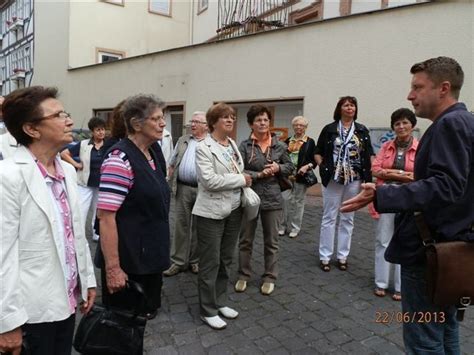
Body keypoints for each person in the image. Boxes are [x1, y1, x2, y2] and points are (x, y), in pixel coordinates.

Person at [341, 56, 473, 353]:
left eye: (417, 87)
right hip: (452, 250)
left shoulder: (449, 125)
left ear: (444, 88)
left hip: (431, 254)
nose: (409, 95)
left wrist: (381, 195)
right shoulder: (465, 122)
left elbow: (446, 186)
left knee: (424, 342)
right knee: (446, 330)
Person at [0, 86, 97, 355]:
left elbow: (75, 232)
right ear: (32, 129)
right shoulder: (7, 176)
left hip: (65, 301)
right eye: (58, 115)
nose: (69, 120)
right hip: (30, 310)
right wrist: (6, 322)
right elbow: (2, 254)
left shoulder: (66, 169)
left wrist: (87, 280)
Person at [96, 94, 170, 331]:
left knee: (141, 321)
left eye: (163, 117)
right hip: (129, 261)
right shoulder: (119, 160)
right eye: (156, 118)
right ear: (137, 124)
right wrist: (114, 270)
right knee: (121, 328)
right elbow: (105, 218)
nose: (163, 123)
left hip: (150, 256)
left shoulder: (154, 151)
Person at [192, 102, 251, 330]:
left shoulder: (232, 144)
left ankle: (219, 301)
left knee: (226, 258)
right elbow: (209, 181)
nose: (230, 120)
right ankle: (207, 310)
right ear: (213, 122)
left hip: (234, 209)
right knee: (210, 261)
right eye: (225, 117)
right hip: (210, 213)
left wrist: (241, 179)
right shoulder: (203, 147)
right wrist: (242, 180)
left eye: (233, 117)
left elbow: (236, 170)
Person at [236, 104, 293, 295]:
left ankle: (270, 276)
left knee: (272, 241)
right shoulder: (244, 146)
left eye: (265, 120)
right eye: (258, 120)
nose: (262, 123)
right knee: (245, 239)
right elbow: (239, 170)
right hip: (250, 197)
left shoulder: (280, 145)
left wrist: (278, 168)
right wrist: (260, 174)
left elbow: (290, 167)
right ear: (251, 124)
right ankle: (243, 274)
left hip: (273, 197)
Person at [315, 96, 374, 272]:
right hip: (333, 179)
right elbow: (318, 152)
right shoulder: (330, 129)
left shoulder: (362, 130)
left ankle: (342, 256)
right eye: (346, 105)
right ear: (339, 108)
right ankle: (325, 256)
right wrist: (323, 166)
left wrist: (369, 178)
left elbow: (369, 155)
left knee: (348, 217)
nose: (350, 108)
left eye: (352, 105)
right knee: (329, 216)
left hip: (354, 179)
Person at [370, 108, 418, 301]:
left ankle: (400, 286)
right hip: (387, 196)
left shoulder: (420, 147)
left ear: (412, 125)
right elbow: (375, 169)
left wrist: (389, 173)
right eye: (397, 123)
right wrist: (401, 175)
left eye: (405, 122)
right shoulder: (386, 147)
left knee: (405, 241)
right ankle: (381, 282)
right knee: (383, 240)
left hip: (408, 199)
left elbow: (419, 174)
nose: (401, 126)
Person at [163, 111, 208, 276]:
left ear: (206, 126)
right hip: (182, 188)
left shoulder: (211, 143)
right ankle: (178, 262)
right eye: (192, 121)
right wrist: (169, 179)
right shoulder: (183, 140)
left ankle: (195, 261)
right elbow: (172, 162)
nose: (192, 124)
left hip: (203, 191)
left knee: (199, 227)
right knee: (180, 225)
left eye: (197, 122)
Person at [61, 116, 107, 242]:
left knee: (99, 211)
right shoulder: (83, 144)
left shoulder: (108, 145)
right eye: (98, 130)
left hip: (101, 184)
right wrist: (76, 164)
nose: (101, 132)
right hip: (84, 183)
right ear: (92, 132)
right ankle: (78, 236)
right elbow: (64, 153)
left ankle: (96, 234)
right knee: (81, 210)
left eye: (103, 129)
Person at [279, 115, 317, 239]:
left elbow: (314, 160)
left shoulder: (310, 142)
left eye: (301, 125)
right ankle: (282, 226)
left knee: (298, 202)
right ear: (293, 126)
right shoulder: (287, 141)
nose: (298, 127)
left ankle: (295, 228)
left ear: (305, 127)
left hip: (301, 175)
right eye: (296, 125)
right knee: (285, 200)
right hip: (287, 176)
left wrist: (307, 167)